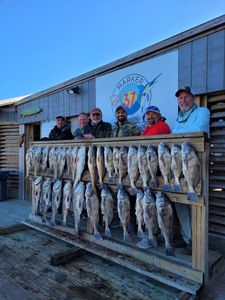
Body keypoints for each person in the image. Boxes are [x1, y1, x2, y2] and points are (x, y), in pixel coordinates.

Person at [172, 86, 210, 249]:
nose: (183, 100)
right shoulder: (179, 118)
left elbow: (197, 130)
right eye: (180, 98)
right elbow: (173, 138)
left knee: (196, 204)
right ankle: (188, 238)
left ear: (192, 98)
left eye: (186, 97)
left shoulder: (202, 111)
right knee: (180, 201)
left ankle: (199, 243)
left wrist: (177, 138)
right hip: (178, 166)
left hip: (196, 164)